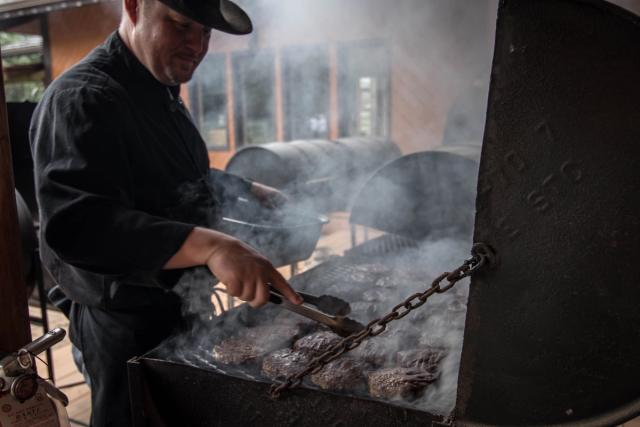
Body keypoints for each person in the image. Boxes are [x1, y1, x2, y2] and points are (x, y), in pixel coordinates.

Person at [29, 0, 303, 426]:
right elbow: (79, 225)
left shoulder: (158, 92)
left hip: (182, 304)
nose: (197, 45)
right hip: (125, 325)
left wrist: (248, 187)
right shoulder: (83, 98)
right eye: (181, 25)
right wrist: (211, 246)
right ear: (135, 7)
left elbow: (178, 177)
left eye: (207, 33)